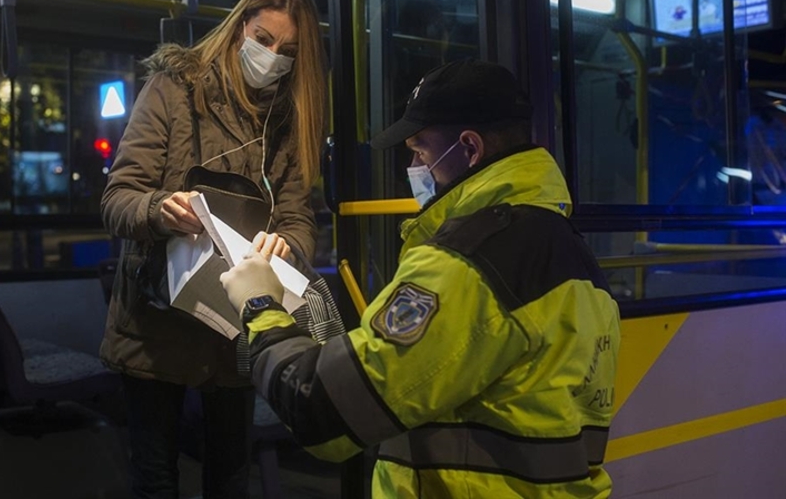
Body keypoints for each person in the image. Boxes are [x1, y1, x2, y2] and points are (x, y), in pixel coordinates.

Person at [220, 59, 622, 497]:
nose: (413, 165)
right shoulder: (571, 252)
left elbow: (321, 412)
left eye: (420, 151)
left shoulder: (466, 264)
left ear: (469, 148)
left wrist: (259, 305)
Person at [99, 0, 327, 499]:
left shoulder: (288, 121)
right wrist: (161, 209)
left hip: (240, 326)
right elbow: (118, 199)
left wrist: (287, 246)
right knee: (156, 475)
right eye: (264, 40)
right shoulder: (173, 89)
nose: (272, 57)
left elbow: (298, 220)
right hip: (155, 323)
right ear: (240, 26)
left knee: (229, 477)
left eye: (288, 51)